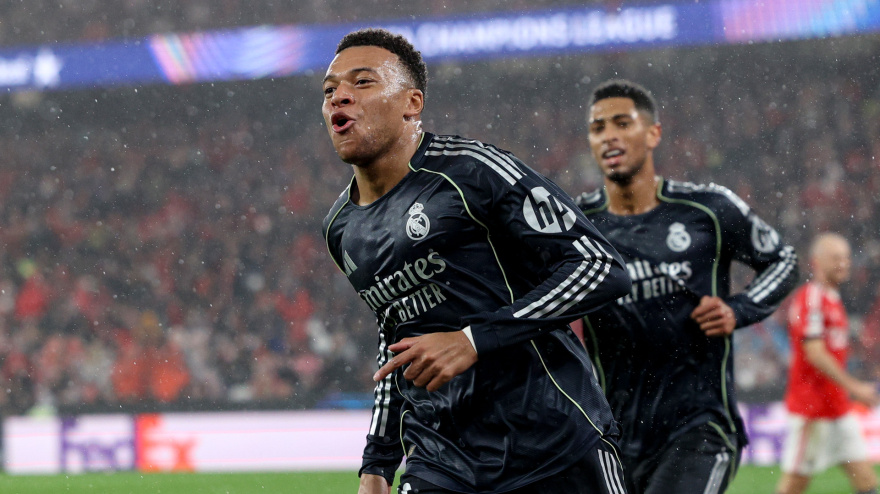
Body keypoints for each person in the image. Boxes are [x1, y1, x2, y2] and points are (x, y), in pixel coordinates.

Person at [321, 28, 633, 494]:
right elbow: (396, 336)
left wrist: (474, 339)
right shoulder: (341, 228)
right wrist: (378, 462)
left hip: (552, 444)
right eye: (329, 90)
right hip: (441, 462)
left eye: (362, 82)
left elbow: (599, 266)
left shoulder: (474, 172)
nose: (339, 97)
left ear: (412, 103)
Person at [575, 79, 799, 494]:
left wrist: (739, 309)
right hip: (612, 435)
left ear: (653, 133)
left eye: (623, 123)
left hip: (699, 427)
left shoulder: (708, 210)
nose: (609, 136)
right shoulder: (574, 224)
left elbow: (783, 260)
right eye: (598, 127)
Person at [775, 233, 879, 494]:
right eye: (835, 258)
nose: (843, 263)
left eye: (845, 257)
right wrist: (854, 386)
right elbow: (815, 353)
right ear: (816, 262)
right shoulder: (811, 297)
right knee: (794, 486)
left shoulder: (833, 298)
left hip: (838, 406)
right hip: (811, 407)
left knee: (866, 481)